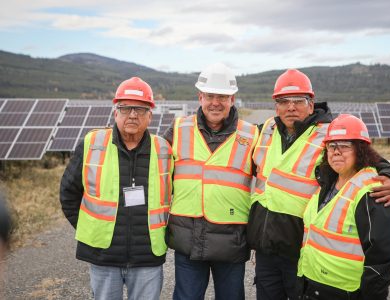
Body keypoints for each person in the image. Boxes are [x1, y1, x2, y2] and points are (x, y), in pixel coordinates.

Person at [246, 69, 390, 299]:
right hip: (266, 249)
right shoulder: (268, 130)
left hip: (299, 247)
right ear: (275, 106)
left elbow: (370, 157)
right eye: (283, 101)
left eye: (298, 101)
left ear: (311, 104)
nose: (291, 107)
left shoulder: (328, 133)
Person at [60, 77, 174, 300]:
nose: (132, 115)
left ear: (150, 115)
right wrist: (90, 228)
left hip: (147, 258)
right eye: (125, 108)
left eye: (140, 109)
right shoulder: (93, 143)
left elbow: (176, 195)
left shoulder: (164, 149)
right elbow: (68, 193)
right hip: (103, 256)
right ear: (115, 112)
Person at [163, 63, 259, 300]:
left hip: (232, 241)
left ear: (232, 99)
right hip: (188, 242)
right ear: (200, 97)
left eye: (222, 97)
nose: (215, 102)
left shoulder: (251, 135)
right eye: (210, 96)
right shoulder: (178, 129)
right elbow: (153, 168)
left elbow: (276, 177)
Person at [298, 114, 390, 299]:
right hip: (313, 284)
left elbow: (381, 259)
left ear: (360, 150)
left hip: (346, 290)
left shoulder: (372, 191)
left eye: (344, 145)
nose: (336, 151)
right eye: (331, 145)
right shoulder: (327, 183)